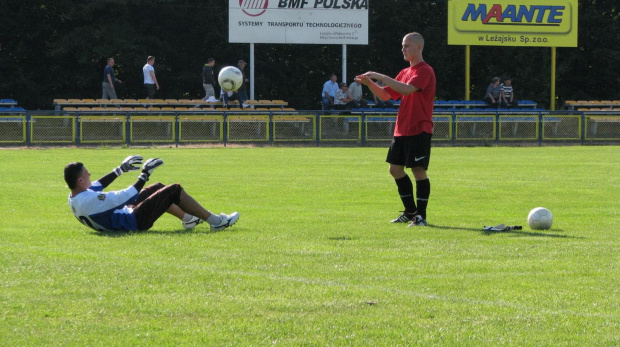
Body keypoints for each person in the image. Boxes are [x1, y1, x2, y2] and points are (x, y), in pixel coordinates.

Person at [355, 32, 436, 227]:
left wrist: (381, 76)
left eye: (407, 45)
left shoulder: (424, 70)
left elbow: (407, 90)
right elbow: (385, 96)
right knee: (395, 170)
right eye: (402, 45)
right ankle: (410, 212)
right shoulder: (404, 72)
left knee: (418, 171)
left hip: (419, 128)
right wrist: (370, 83)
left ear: (419, 47)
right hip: (402, 129)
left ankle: (421, 217)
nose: (403, 49)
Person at [64, 155, 239, 232]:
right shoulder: (90, 201)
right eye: (86, 173)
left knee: (158, 187)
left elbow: (98, 185)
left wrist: (120, 170)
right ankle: (216, 222)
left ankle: (189, 219)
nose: (90, 175)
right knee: (173, 189)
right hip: (132, 222)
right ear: (80, 180)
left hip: (121, 217)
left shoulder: (76, 196)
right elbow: (127, 196)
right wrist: (144, 174)